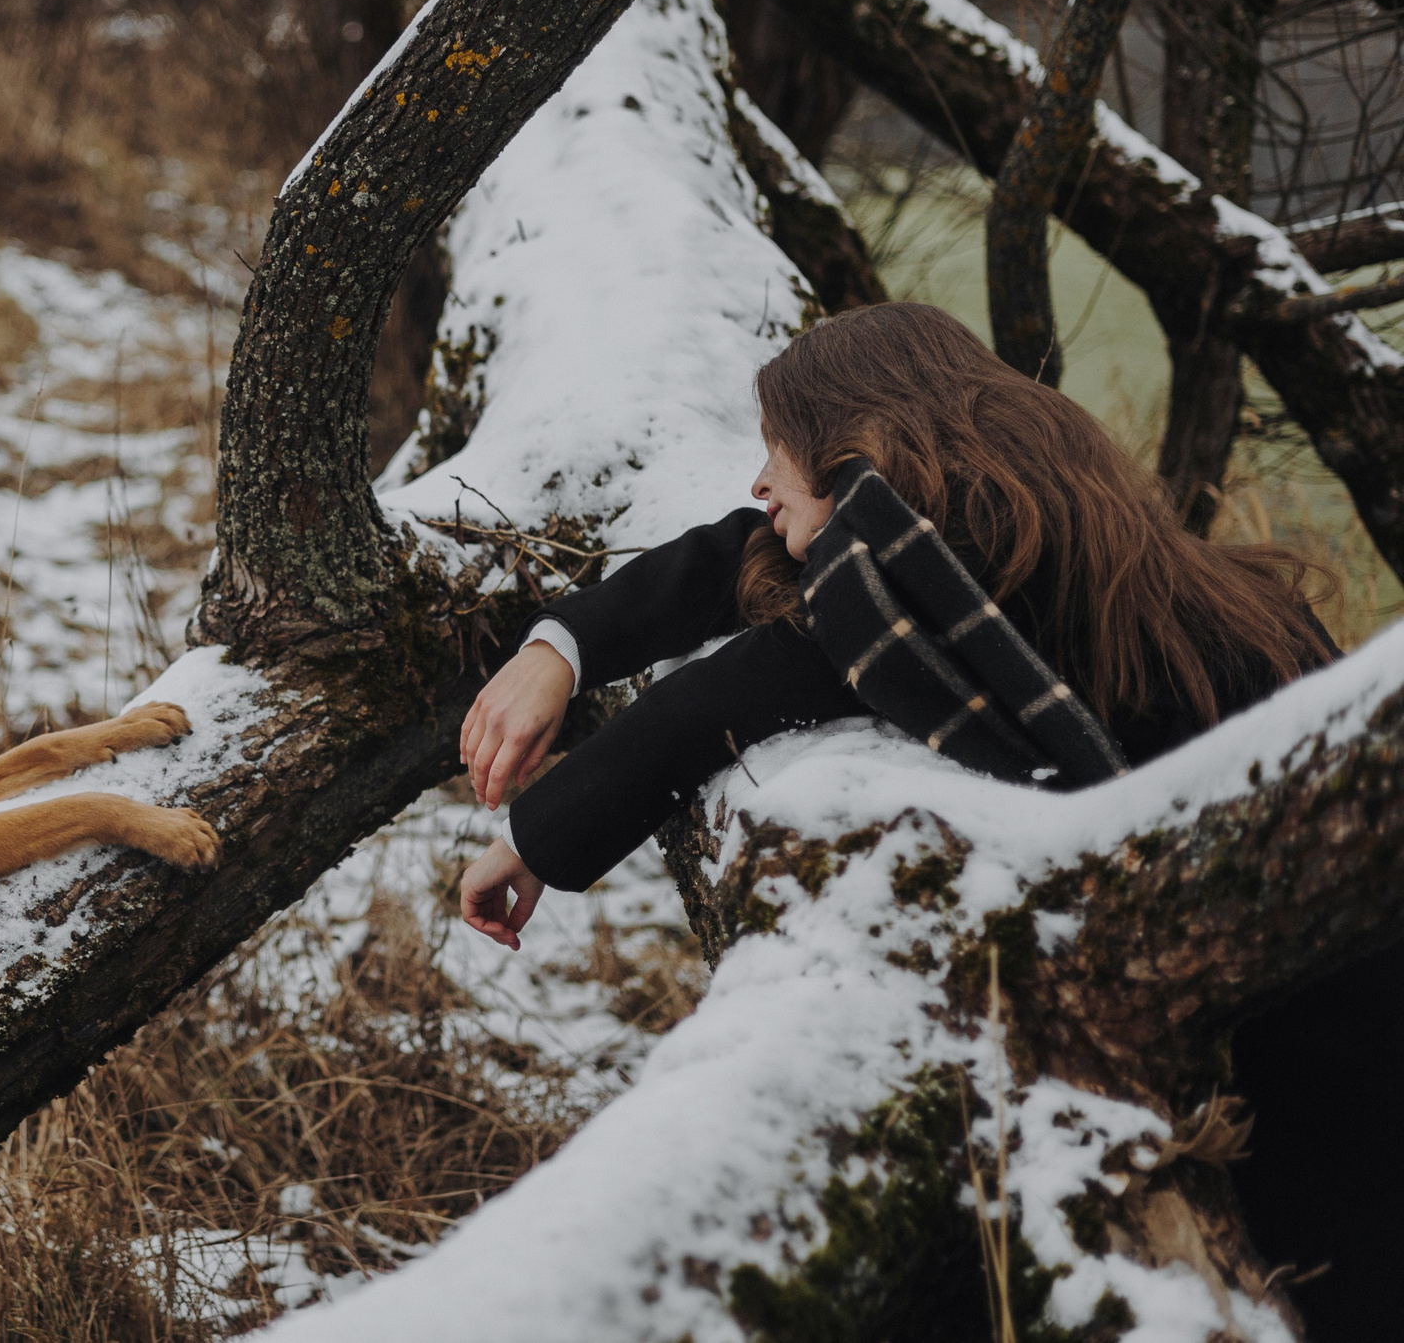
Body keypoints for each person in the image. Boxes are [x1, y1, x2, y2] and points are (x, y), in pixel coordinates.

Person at [448, 300, 1398, 1337]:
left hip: (1315, 1051)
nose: (755, 484)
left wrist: (531, 838)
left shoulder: (936, 605)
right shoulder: (1046, 544)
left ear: (863, 464)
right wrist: (561, 648)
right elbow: (740, 551)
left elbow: (734, 689)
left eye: (778, 455)